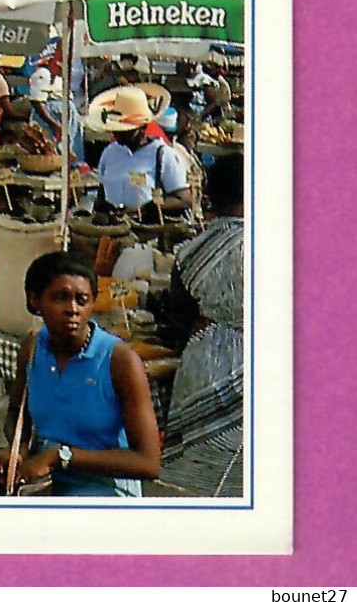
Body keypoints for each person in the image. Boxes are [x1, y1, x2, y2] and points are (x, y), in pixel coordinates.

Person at [0, 250, 161, 496]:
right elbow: (18, 412)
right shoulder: (33, 347)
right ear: (35, 300)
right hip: (40, 471)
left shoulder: (119, 360)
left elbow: (148, 463)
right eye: (60, 297)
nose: (73, 308)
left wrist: (61, 456)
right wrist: (19, 450)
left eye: (82, 300)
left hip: (101, 483)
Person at [161, 153, 245, 495]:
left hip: (202, 365)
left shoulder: (192, 250)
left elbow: (177, 317)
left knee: (201, 472)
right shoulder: (283, 244)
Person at [86, 85, 192, 224]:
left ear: (143, 128)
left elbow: (184, 199)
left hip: (149, 230)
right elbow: (102, 193)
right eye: (116, 131)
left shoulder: (163, 154)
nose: (117, 135)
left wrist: (146, 209)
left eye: (126, 132)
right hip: (114, 229)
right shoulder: (109, 152)